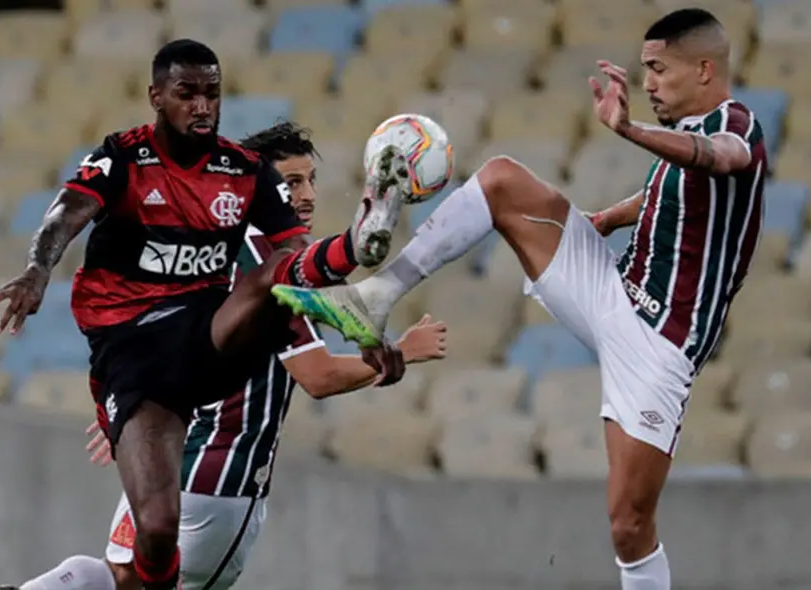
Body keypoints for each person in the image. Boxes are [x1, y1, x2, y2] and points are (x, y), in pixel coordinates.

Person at [271, 9, 765, 590]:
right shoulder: (686, 139)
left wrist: (628, 131)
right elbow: (672, 183)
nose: (648, 83)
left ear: (704, 69)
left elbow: (721, 159)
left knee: (629, 525)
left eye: (658, 70)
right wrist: (607, 217)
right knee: (503, 179)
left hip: (659, 345)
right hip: (614, 286)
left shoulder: (737, 126)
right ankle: (374, 296)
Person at [0, 40, 410, 590]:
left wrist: (362, 324)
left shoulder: (244, 172)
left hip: (203, 332)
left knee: (274, 276)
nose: (203, 106)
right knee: (155, 536)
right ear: (156, 97)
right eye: (188, 94)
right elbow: (65, 214)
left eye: (213, 93)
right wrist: (38, 270)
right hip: (133, 352)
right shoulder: (123, 157)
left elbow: (296, 259)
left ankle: (358, 243)